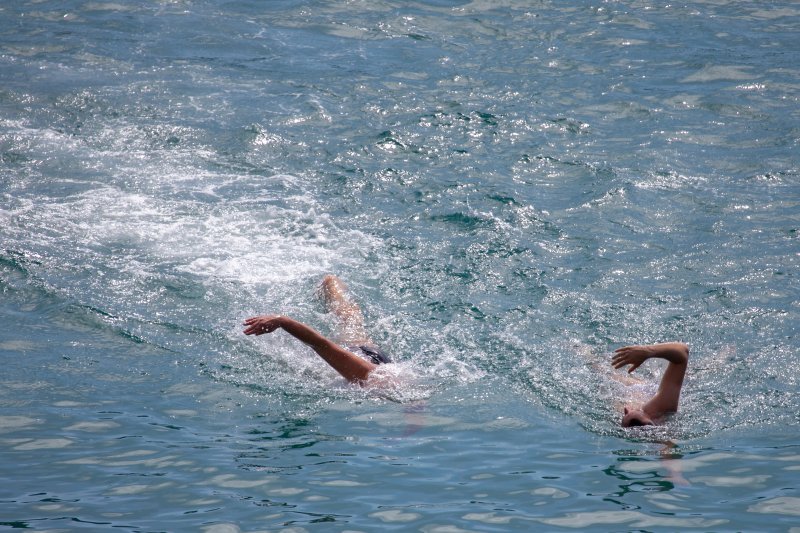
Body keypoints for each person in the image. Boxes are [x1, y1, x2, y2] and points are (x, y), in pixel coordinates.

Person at [243, 275, 392, 384]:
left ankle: (331, 284)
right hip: (363, 360)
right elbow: (320, 344)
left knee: (351, 322)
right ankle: (330, 284)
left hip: (376, 364)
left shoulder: (396, 390)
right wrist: (282, 321)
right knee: (349, 325)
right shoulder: (370, 377)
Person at [611, 342, 689, 427]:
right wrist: (648, 351)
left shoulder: (619, 412)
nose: (627, 409)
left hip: (634, 388)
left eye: (626, 413)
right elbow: (683, 352)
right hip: (651, 388)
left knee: (604, 371)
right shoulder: (661, 408)